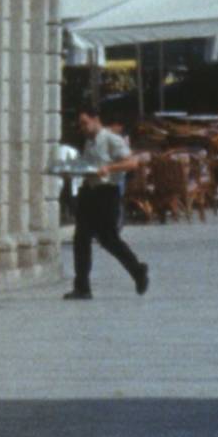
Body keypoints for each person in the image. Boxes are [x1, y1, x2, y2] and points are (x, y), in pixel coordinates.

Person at [64, 104, 148, 299]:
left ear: (96, 119)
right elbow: (90, 165)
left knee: (109, 239)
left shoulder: (112, 139)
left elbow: (132, 162)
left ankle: (137, 271)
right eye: (80, 125)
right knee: (81, 238)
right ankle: (82, 286)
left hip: (106, 193)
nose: (83, 128)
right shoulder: (89, 142)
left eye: (85, 123)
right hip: (90, 191)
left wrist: (110, 168)